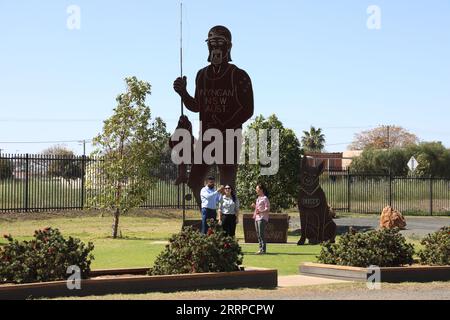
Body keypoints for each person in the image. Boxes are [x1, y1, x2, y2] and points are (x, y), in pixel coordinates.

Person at [173, 25, 254, 210]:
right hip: (207, 137)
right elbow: (197, 106)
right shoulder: (202, 75)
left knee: (228, 185)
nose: (216, 48)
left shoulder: (239, 75)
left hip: (230, 138)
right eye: (212, 43)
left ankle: (227, 219)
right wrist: (183, 93)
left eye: (220, 43)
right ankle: (208, 215)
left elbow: (247, 110)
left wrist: (225, 124)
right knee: (194, 181)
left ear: (228, 47)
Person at [251, 184, 270, 254]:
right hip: (257, 217)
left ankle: (263, 250)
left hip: (262, 218)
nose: (256, 190)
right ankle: (260, 249)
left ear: (261, 190)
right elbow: (257, 209)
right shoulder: (258, 198)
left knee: (261, 234)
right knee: (258, 234)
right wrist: (254, 207)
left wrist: (261, 211)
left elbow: (268, 208)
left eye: (257, 189)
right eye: (256, 189)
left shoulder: (265, 198)